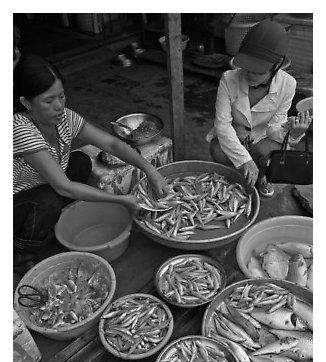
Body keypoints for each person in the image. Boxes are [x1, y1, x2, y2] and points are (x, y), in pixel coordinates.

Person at [13, 54, 169, 272]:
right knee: (49, 198)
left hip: (43, 182)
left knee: (80, 162)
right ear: (26, 102)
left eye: (62, 96)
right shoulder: (20, 128)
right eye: (49, 101)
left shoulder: (63, 117)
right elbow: (62, 186)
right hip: (17, 199)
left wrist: (149, 169)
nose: (59, 106)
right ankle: (21, 252)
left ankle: (55, 217)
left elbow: (112, 145)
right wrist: (121, 200)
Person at [206, 19, 312, 198]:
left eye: (257, 70)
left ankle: (262, 177)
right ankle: (235, 173)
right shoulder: (228, 79)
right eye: (246, 67)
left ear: (276, 65)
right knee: (218, 151)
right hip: (236, 134)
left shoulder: (288, 84)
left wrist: (294, 133)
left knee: (268, 154)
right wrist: (245, 160)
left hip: (262, 138)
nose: (249, 74)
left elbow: (274, 128)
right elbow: (223, 125)